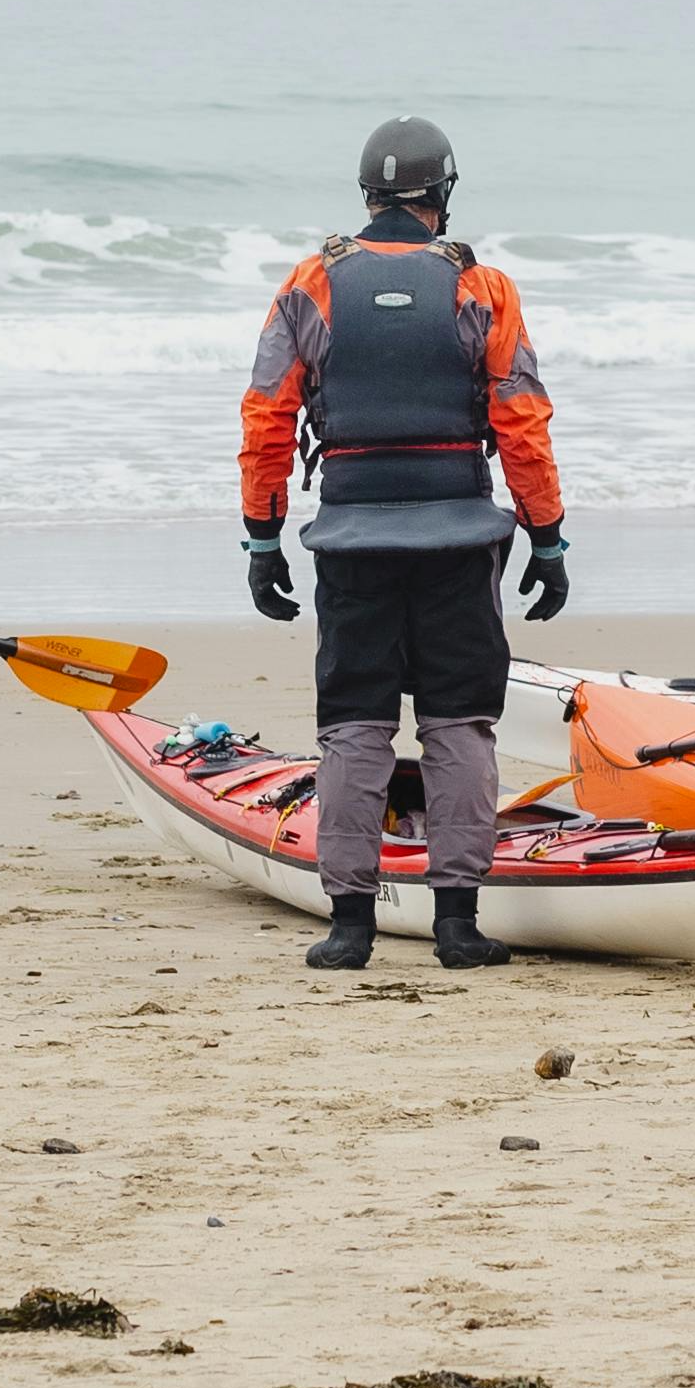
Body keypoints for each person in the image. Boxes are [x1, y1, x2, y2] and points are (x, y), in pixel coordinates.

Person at [238, 117, 568, 974]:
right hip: (460, 537)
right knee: (462, 724)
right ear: (443, 191)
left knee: (355, 726)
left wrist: (262, 537)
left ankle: (350, 926)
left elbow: (267, 418)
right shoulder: (483, 288)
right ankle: (457, 926)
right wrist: (548, 534)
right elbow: (520, 419)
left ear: (369, 194)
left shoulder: (310, 283)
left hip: (351, 539)